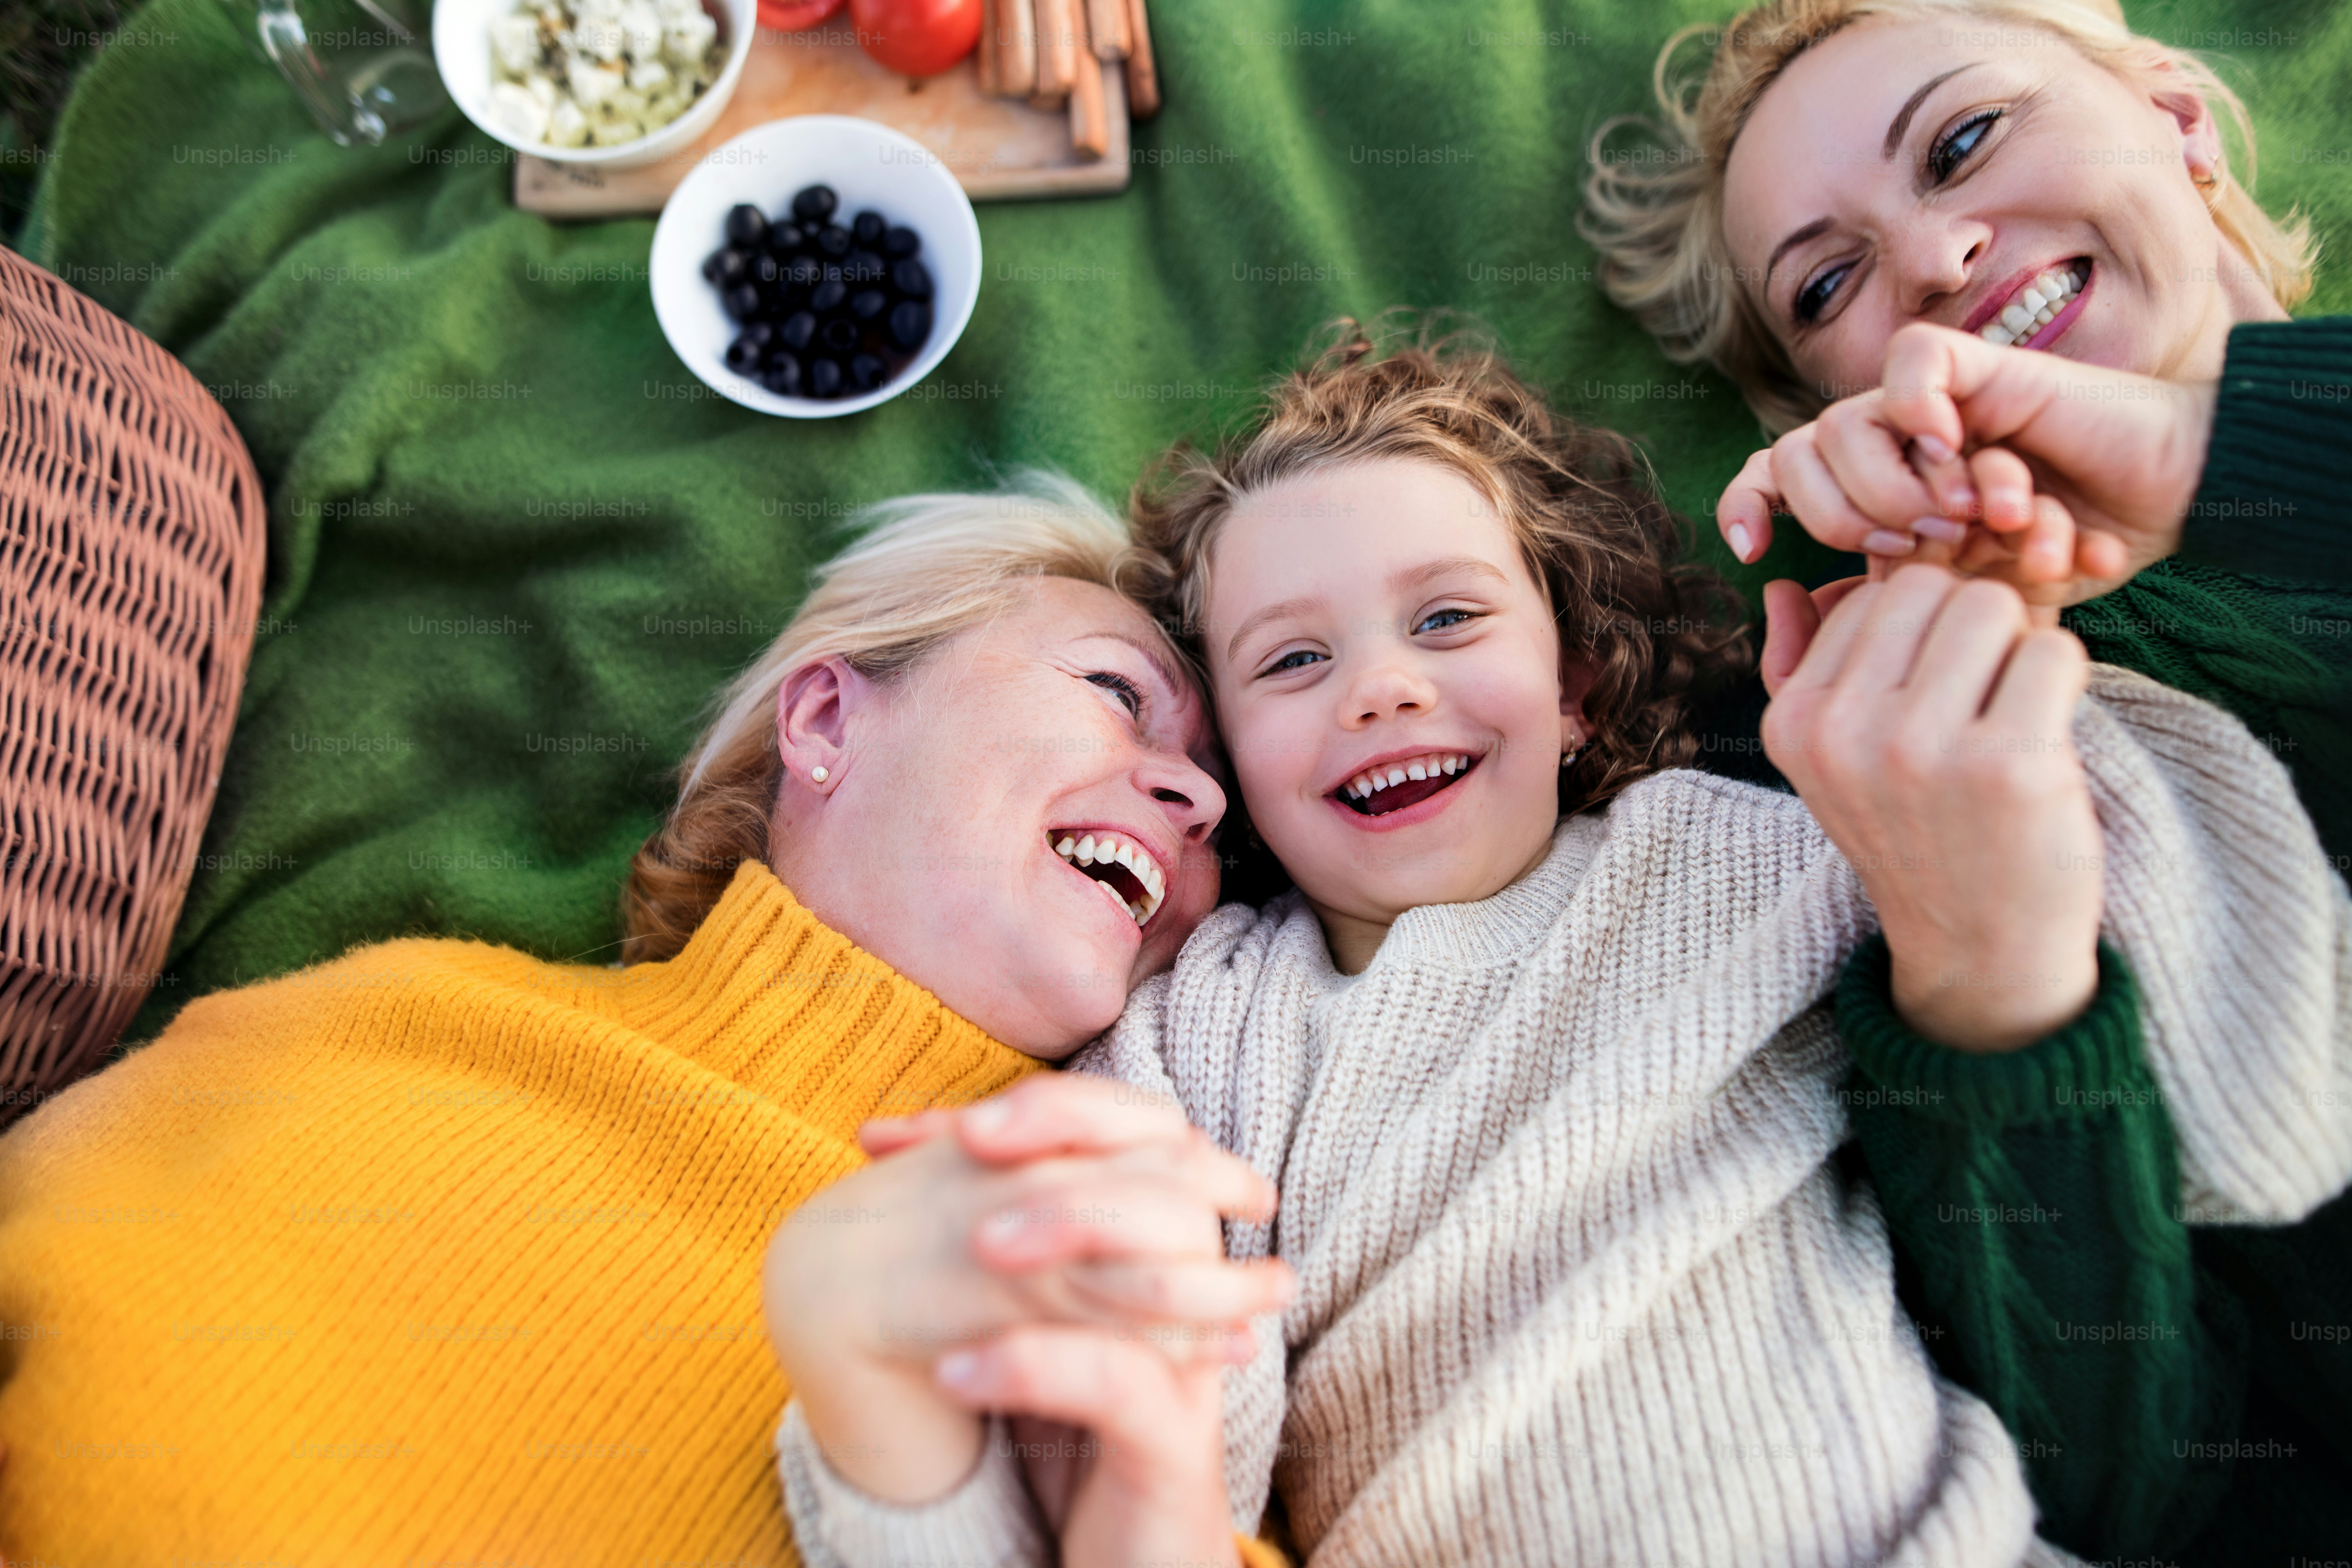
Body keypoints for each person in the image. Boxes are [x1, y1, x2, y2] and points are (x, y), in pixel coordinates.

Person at [766, 329, 2352, 1568]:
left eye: (1449, 621)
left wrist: (1996, 643)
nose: (1380, 689)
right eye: (1294, 660)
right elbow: (1109, 1439)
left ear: (1581, 680)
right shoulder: (1204, 1036)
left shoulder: (1745, 851)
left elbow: (2264, 1108)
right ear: (1236, 769)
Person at [0, 478, 1287, 1565]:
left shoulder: (1101, 1273)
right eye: (1119, 691)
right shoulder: (391, 1020)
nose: (1192, 798)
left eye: (1223, 805)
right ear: (828, 718)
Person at [1582, 2, 2352, 1554]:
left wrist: (2227, 457)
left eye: (1964, 141)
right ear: (1835, 416)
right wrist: (1990, 981)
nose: (1933, 259)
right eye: (1829, 283)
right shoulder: (1855, 761)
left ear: (2181, 123)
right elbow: (2141, 1493)